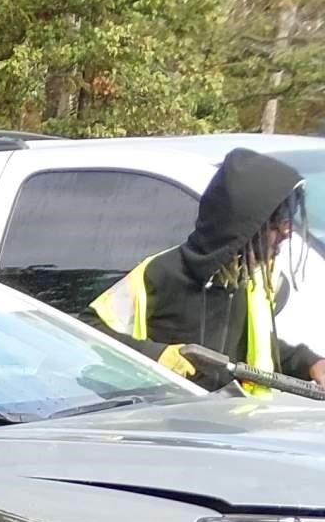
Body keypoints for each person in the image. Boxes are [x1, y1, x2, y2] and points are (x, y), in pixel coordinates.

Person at [91, 147, 325, 392]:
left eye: (289, 219)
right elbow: (90, 332)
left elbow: (249, 353)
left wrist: (309, 363)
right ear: (244, 223)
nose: (287, 232)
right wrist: (158, 355)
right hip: (163, 422)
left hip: (230, 422)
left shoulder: (258, 282)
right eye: (278, 222)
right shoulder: (162, 273)